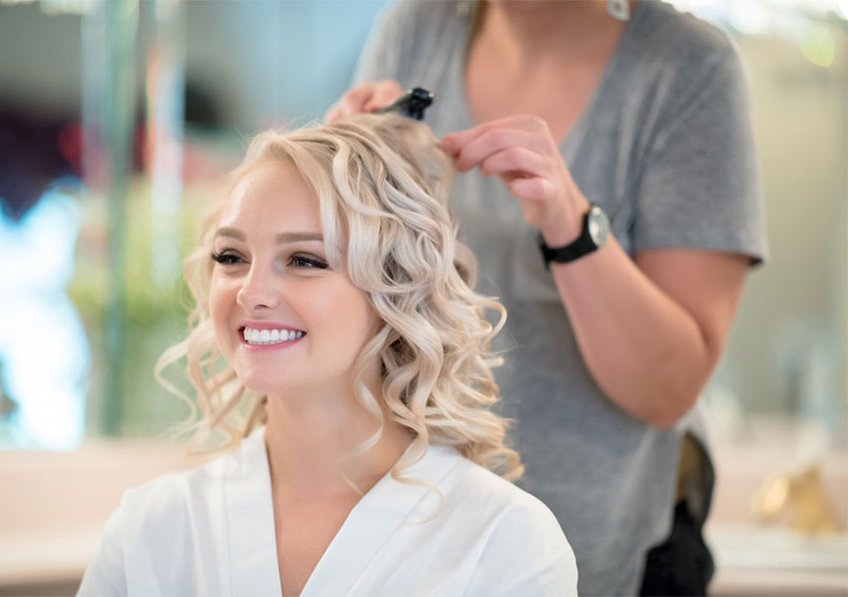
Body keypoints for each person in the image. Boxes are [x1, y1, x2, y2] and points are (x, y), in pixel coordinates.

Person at [326, 1, 767, 595]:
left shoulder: (689, 68)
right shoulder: (413, 29)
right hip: (427, 539)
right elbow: (359, 299)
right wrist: (339, 178)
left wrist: (569, 221)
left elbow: (668, 390)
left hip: (610, 547)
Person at [77, 114, 578, 597]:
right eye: (232, 257)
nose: (251, 293)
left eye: (304, 260)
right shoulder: (150, 530)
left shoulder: (504, 541)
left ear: (396, 289)